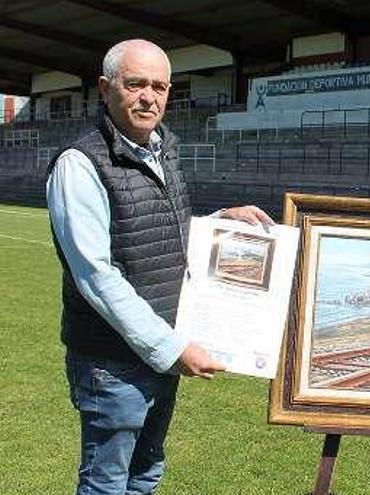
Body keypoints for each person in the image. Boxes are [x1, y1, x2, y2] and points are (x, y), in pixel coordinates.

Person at [46, 39, 273, 494]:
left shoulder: (162, 151)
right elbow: (97, 275)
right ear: (105, 89)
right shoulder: (80, 164)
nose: (149, 96)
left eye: (160, 86)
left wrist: (218, 224)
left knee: (144, 476)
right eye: (135, 84)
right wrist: (170, 348)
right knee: (107, 485)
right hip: (113, 363)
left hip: (158, 353)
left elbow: (159, 233)